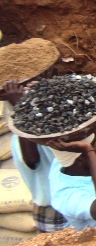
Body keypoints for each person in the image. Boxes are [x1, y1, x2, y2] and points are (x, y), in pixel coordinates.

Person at [3, 80, 69, 232]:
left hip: (70, 202)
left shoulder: (49, 131)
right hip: (53, 210)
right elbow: (32, 160)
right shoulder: (22, 137)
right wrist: (21, 106)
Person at [47, 134, 96, 230]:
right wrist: (87, 149)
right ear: (80, 160)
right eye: (93, 145)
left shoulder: (64, 163)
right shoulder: (68, 197)